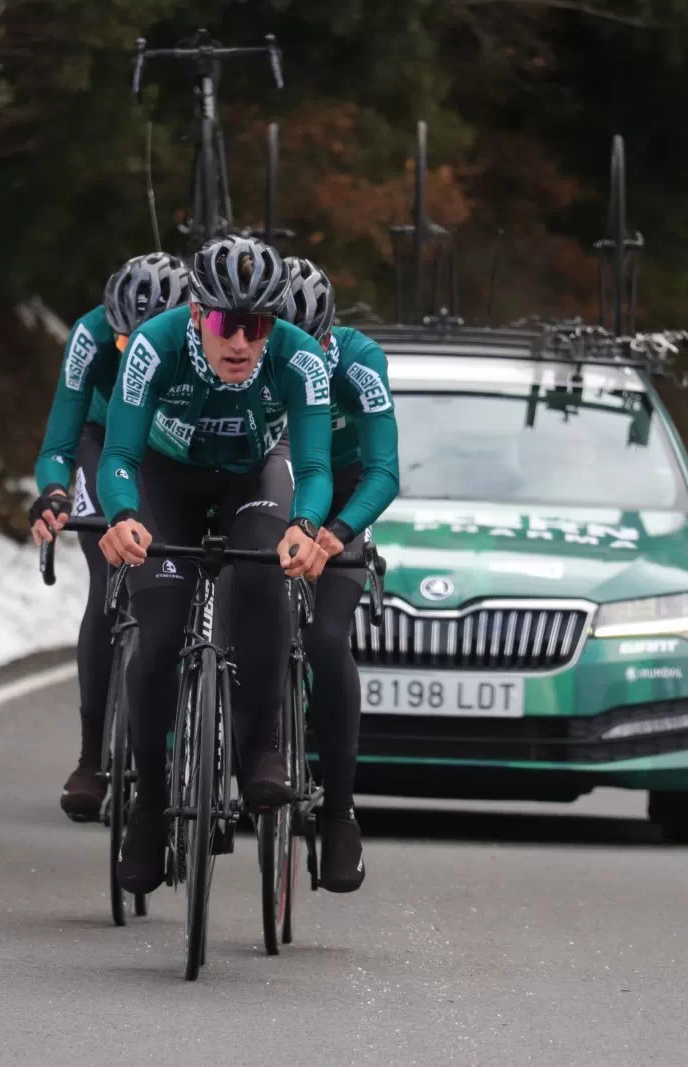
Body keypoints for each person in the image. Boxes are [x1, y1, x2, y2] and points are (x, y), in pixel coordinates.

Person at [95, 234, 334, 895]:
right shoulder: (154, 345)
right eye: (228, 324)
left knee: (262, 573)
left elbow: (313, 466)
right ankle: (148, 806)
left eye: (257, 327)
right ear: (198, 315)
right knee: (161, 625)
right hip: (165, 482)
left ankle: (263, 746)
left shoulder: (301, 358)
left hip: (250, 478)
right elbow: (118, 454)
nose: (241, 344)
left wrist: (306, 527)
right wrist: (120, 514)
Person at [28, 252, 190, 822]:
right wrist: (52, 492)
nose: (133, 357)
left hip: (173, 442)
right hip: (105, 440)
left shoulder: (202, 337)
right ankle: (91, 755)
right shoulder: (90, 336)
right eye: (123, 346)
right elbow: (59, 440)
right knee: (108, 575)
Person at [278, 256, 400, 893]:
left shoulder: (359, 361)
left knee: (325, 639)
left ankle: (339, 811)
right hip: (270, 482)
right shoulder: (246, 352)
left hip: (344, 497)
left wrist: (341, 532)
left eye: (314, 344)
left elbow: (384, 470)